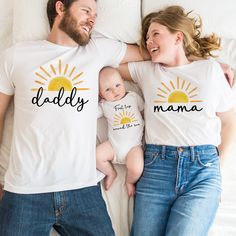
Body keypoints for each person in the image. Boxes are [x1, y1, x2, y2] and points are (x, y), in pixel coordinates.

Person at [0, 0, 144, 235]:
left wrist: (201, 63)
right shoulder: (15, 56)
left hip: (82, 190)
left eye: (95, 15)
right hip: (25, 191)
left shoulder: (96, 50)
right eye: (86, 10)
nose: (92, 19)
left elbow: (157, 51)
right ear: (60, 8)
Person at [118, 5, 236, 236]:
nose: (149, 40)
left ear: (178, 36)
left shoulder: (211, 70)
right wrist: (151, 50)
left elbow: (230, 122)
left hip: (202, 169)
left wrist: (218, 171)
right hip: (156, 169)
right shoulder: (147, 71)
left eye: (156, 34)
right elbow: (108, 62)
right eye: (146, 37)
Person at [97, 67, 144, 197]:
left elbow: (144, 112)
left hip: (133, 147)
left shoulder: (133, 97)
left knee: (136, 168)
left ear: (123, 82)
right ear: (100, 94)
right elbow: (91, 114)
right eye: (107, 90)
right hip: (113, 146)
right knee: (96, 156)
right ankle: (111, 172)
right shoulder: (104, 105)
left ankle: (129, 182)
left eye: (117, 85)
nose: (115, 91)